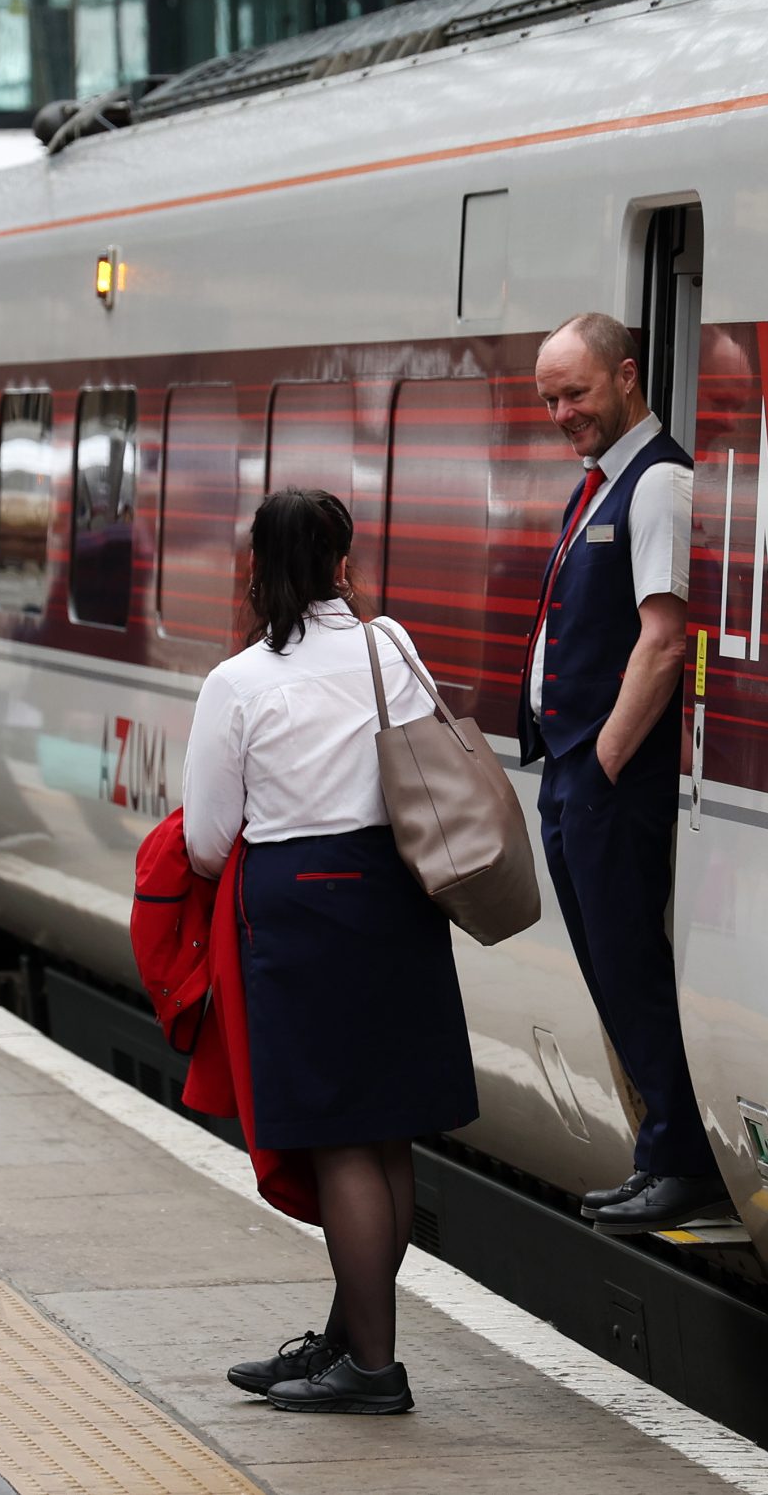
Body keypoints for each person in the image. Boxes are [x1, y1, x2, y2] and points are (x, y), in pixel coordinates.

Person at [183, 488, 475, 1414]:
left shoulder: (237, 682)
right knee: (384, 1134)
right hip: (396, 895)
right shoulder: (392, 646)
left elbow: (204, 841)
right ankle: (345, 1340)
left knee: (343, 1144)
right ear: (343, 562)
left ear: (259, 571)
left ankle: (374, 1371)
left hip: (304, 911)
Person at [517, 312, 723, 1233]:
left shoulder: (658, 483)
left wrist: (599, 764)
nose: (563, 413)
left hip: (608, 776)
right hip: (573, 772)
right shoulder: (599, 486)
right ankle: (657, 1154)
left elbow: (664, 639)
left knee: (632, 968)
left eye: (577, 393)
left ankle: (683, 1159)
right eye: (550, 399)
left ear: (629, 377)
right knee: (610, 970)